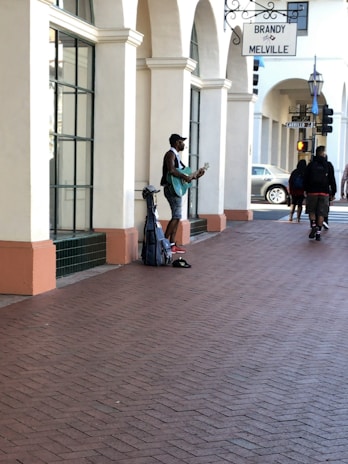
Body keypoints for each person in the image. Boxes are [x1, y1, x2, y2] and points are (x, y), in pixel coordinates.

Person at [160, 133, 205, 254]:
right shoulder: (170, 155)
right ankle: (163, 243)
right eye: (181, 142)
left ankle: (172, 244)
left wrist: (196, 175)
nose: (184, 144)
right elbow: (172, 170)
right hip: (171, 189)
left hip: (176, 189)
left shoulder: (176, 156)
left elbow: (185, 174)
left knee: (177, 216)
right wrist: (184, 177)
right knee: (176, 216)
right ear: (176, 143)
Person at [303, 145, 336, 241]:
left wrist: (305, 190)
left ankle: (313, 225)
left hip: (312, 192)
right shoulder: (328, 165)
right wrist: (333, 192)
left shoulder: (311, 165)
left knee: (312, 210)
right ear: (323, 153)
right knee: (321, 213)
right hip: (324, 192)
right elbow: (332, 180)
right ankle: (318, 233)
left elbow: (306, 179)